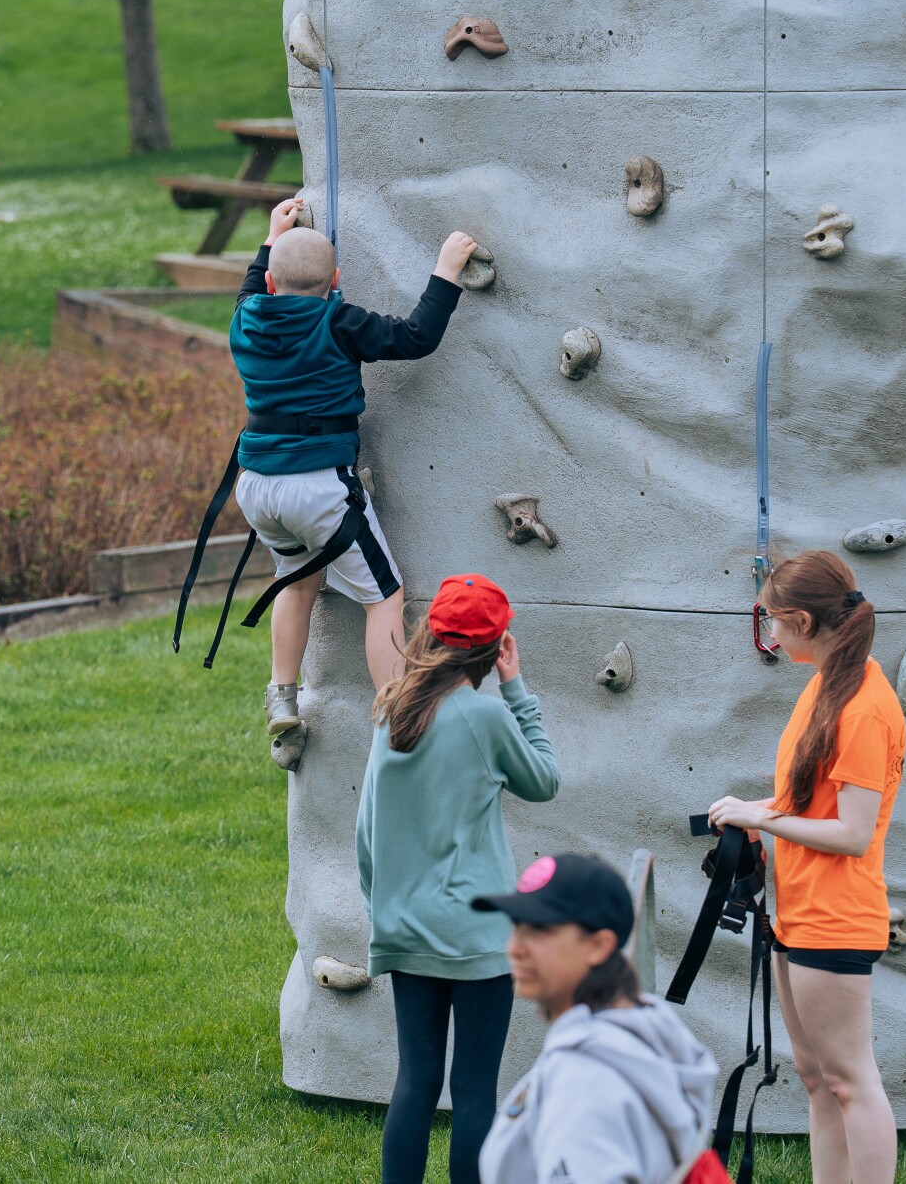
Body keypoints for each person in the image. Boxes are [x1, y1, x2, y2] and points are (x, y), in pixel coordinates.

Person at [230, 198, 476, 763]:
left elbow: (251, 285)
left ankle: (282, 698)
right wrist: (445, 271)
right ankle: (400, 718)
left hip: (258, 487)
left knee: (297, 582)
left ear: (270, 280)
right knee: (383, 597)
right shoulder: (338, 321)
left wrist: (271, 236)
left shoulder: (246, 318)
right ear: (336, 281)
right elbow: (414, 337)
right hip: (320, 487)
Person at [707, 550, 906, 1184]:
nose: (767, 633)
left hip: (836, 916)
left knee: (850, 1080)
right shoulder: (826, 684)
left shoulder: (864, 708)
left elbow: (851, 833)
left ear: (800, 620)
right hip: (795, 911)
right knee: (818, 1078)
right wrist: (751, 809)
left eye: (769, 620)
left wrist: (760, 820)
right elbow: (810, 802)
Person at [356, 573, 559, 1184]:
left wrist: (381, 908)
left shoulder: (392, 710)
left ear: (430, 635)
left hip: (406, 927)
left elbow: (366, 833)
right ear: (497, 647)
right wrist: (516, 689)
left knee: (414, 1084)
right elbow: (544, 782)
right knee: (474, 1091)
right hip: (479, 939)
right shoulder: (486, 718)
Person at [474, 853, 722, 1184]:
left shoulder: (582, 1080)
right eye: (516, 926)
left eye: (539, 929)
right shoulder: (646, 1028)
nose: (514, 947)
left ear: (599, 946)